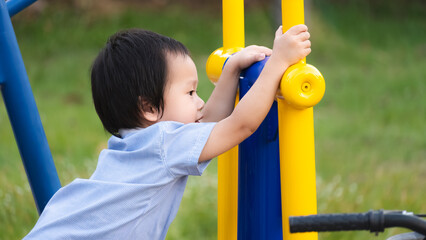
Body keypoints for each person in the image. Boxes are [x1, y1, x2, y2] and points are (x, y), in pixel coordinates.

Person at [24, 24, 311, 239]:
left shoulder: (137, 142)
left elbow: (208, 122)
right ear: (149, 108)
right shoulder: (163, 144)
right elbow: (239, 125)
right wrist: (277, 64)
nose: (199, 102)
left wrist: (232, 69)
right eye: (190, 92)